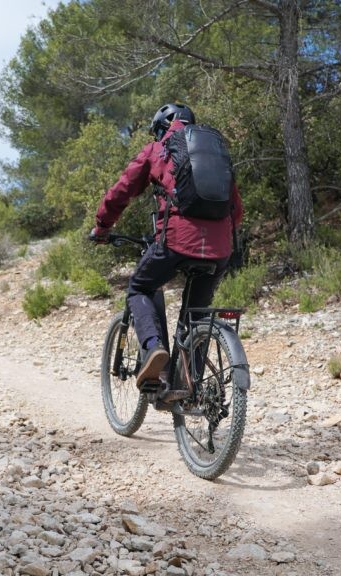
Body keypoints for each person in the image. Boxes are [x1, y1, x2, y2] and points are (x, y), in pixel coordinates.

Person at [89, 103, 243, 402]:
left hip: (175, 241)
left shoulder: (157, 149)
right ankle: (189, 385)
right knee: (197, 314)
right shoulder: (215, 153)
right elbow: (236, 211)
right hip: (221, 247)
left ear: (164, 127)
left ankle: (153, 349)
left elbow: (121, 191)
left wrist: (102, 226)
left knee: (140, 286)